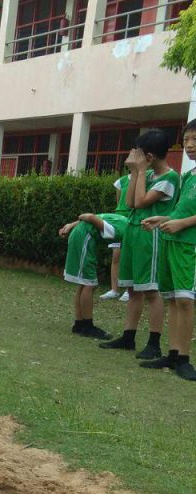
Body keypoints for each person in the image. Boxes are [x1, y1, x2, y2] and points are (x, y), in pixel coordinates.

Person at [99, 130, 180, 359]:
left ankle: (154, 342)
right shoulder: (149, 174)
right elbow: (129, 202)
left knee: (151, 289)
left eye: (139, 154)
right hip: (134, 231)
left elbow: (141, 201)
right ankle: (128, 337)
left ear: (150, 156)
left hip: (151, 236)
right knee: (133, 288)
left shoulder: (169, 178)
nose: (135, 157)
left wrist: (141, 171)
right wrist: (136, 172)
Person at [140, 119, 196, 381]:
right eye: (186, 140)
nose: (190, 146)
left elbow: (186, 217)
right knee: (173, 298)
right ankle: (173, 354)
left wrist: (182, 224)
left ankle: (184, 358)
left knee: (185, 299)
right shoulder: (188, 176)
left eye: (195, 140)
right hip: (172, 242)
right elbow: (178, 211)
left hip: (190, 246)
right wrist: (163, 220)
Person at [59, 211, 128, 339]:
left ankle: (79, 324)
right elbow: (90, 217)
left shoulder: (124, 220)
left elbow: (97, 217)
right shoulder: (120, 232)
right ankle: (87, 326)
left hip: (80, 235)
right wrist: (83, 217)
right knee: (89, 284)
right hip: (84, 238)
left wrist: (71, 225)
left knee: (84, 283)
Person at [99, 164, 131, 303]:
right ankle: (114, 289)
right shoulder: (121, 181)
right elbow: (119, 202)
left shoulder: (145, 179)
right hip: (120, 220)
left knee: (129, 257)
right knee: (116, 256)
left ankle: (129, 290)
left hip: (133, 221)